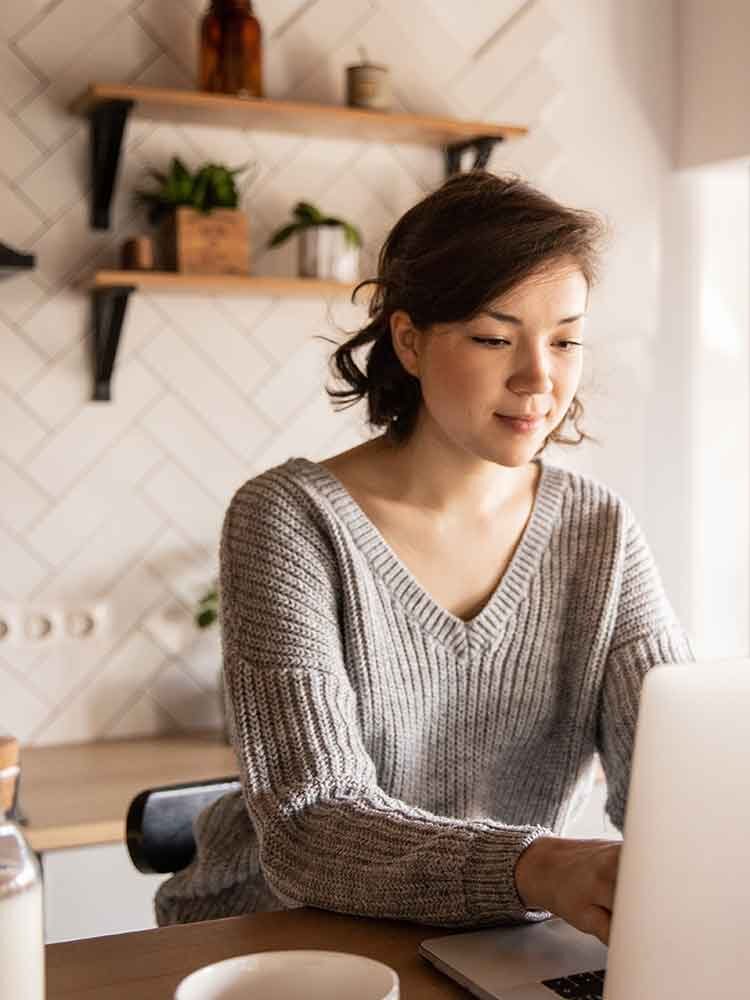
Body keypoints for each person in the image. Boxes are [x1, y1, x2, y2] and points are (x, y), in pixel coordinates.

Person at [154, 170, 695, 946]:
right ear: (409, 341)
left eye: (566, 339)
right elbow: (311, 823)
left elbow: (677, 773)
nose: (539, 379)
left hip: (489, 938)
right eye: (493, 337)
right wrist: (534, 865)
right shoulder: (290, 520)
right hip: (276, 941)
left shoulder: (598, 531)